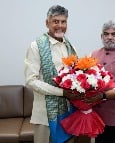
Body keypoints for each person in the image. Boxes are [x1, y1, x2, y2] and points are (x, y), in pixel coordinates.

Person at [24, 5, 84, 143]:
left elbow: (77, 74)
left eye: (63, 22)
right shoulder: (36, 46)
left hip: (68, 112)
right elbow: (31, 81)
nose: (60, 25)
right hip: (45, 115)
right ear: (47, 23)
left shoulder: (70, 46)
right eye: (55, 21)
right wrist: (62, 92)